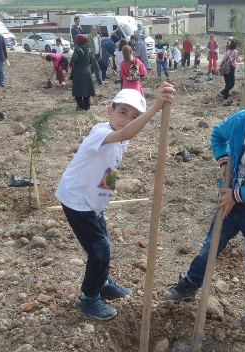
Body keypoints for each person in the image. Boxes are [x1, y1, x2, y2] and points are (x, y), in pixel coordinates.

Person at [163, 69, 245, 327]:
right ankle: (189, 285)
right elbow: (217, 135)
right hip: (230, 202)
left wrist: (237, 195)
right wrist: (223, 159)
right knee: (209, 247)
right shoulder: (238, 122)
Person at [56, 84, 175, 321]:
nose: (126, 120)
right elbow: (125, 134)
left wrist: (104, 197)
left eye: (134, 117)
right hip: (76, 200)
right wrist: (155, 108)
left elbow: (111, 167)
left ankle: (104, 283)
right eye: (122, 113)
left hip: (92, 202)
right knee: (99, 249)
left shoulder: (121, 139)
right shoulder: (100, 133)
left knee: (104, 243)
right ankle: (89, 298)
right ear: (109, 111)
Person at [70, 34, 95, 111]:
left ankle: (80, 107)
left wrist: (71, 63)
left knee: (78, 91)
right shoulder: (89, 49)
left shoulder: (77, 50)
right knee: (87, 90)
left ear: (78, 41)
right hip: (87, 72)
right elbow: (91, 61)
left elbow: (73, 60)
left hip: (78, 73)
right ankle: (87, 106)